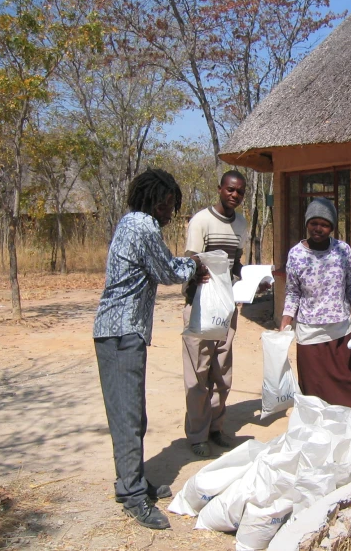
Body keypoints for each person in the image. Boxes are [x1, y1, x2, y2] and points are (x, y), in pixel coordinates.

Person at [93, 168, 206, 530]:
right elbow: (168, 270)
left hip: (122, 332)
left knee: (134, 414)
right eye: (168, 203)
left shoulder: (132, 223)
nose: (170, 212)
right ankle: (131, 496)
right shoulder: (142, 226)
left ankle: (134, 480)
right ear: (152, 199)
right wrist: (195, 265)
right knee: (128, 416)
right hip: (120, 333)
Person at [280, 197, 351, 415]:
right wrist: (285, 322)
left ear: (332, 227)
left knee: (350, 385)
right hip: (309, 334)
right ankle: (320, 435)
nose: (318, 228)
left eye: (324, 224)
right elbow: (292, 292)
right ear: (307, 223)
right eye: (314, 223)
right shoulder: (296, 254)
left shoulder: (342, 250)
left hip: (341, 331)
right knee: (315, 390)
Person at [182, 170, 248, 457]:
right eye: (230, 190)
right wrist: (200, 273)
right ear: (220, 188)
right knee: (198, 372)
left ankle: (216, 428)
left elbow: (236, 264)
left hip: (226, 307)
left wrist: (251, 280)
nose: (234, 195)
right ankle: (197, 434)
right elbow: (190, 259)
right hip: (199, 306)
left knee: (222, 370)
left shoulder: (241, 224)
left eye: (240, 192)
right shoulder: (202, 221)